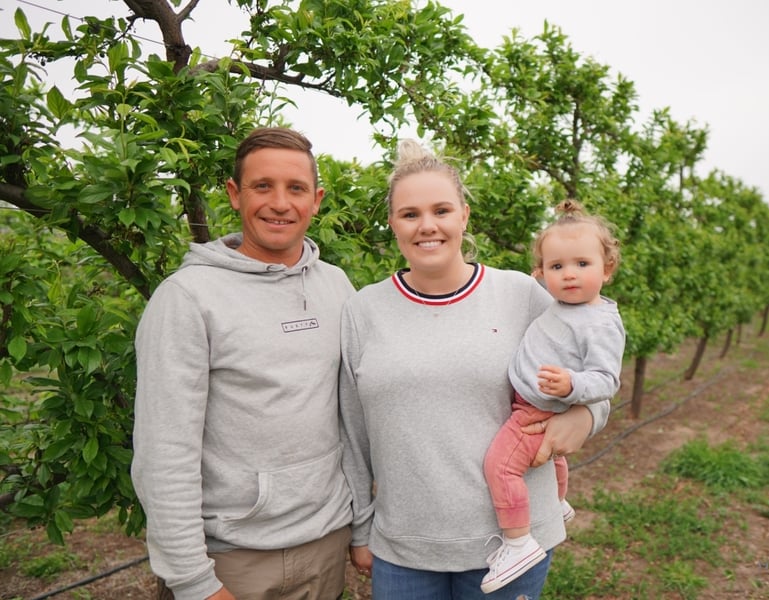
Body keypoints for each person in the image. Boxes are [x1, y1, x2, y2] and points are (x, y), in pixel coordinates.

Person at [338, 140, 611, 599]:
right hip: (404, 546)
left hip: (512, 544)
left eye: (441, 210)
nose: (427, 225)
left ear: (464, 216)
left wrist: (585, 417)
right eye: (410, 214)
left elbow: (595, 374)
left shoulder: (522, 295)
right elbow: (353, 432)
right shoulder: (363, 310)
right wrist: (361, 528)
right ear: (393, 223)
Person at [131, 127, 355, 600]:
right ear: (235, 194)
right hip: (232, 558)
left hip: (327, 541)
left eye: (296, 188)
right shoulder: (188, 298)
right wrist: (193, 580)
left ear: (316, 200)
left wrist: (362, 527)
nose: (280, 203)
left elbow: (353, 417)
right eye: (262, 186)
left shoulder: (336, 286)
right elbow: (164, 450)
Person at [480, 199, 626, 593]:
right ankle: (557, 502)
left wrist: (572, 385)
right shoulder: (564, 305)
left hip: (535, 411)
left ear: (607, 269)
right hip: (533, 402)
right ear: (541, 273)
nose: (570, 274)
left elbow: (607, 379)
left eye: (582, 264)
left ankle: (517, 542)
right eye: (557, 267)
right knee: (555, 460)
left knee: (501, 466)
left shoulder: (599, 323)